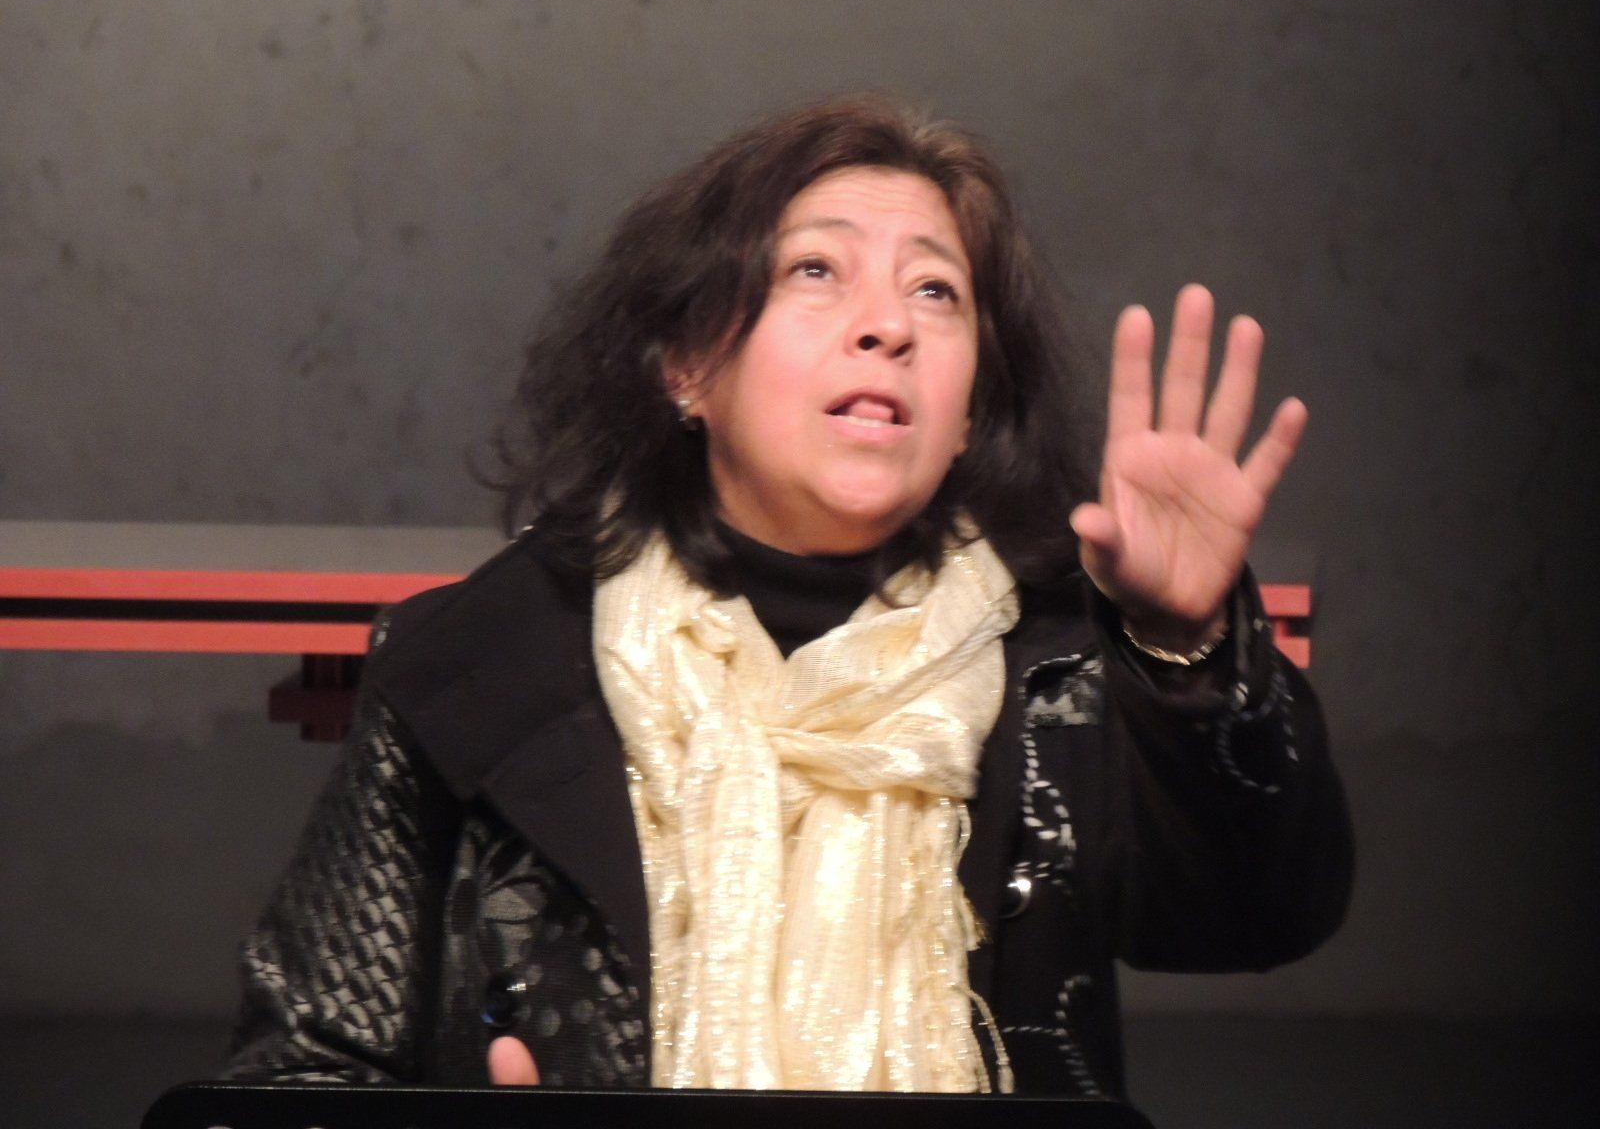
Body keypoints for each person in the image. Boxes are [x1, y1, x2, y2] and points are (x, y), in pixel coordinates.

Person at [223, 93, 1352, 1099]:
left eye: (936, 291)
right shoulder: (475, 661)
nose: (888, 325)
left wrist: (1182, 647)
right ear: (686, 364)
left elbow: (1255, 915)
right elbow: (296, 1074)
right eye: (816, 271)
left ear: (969, 414)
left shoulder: (1063, 656)